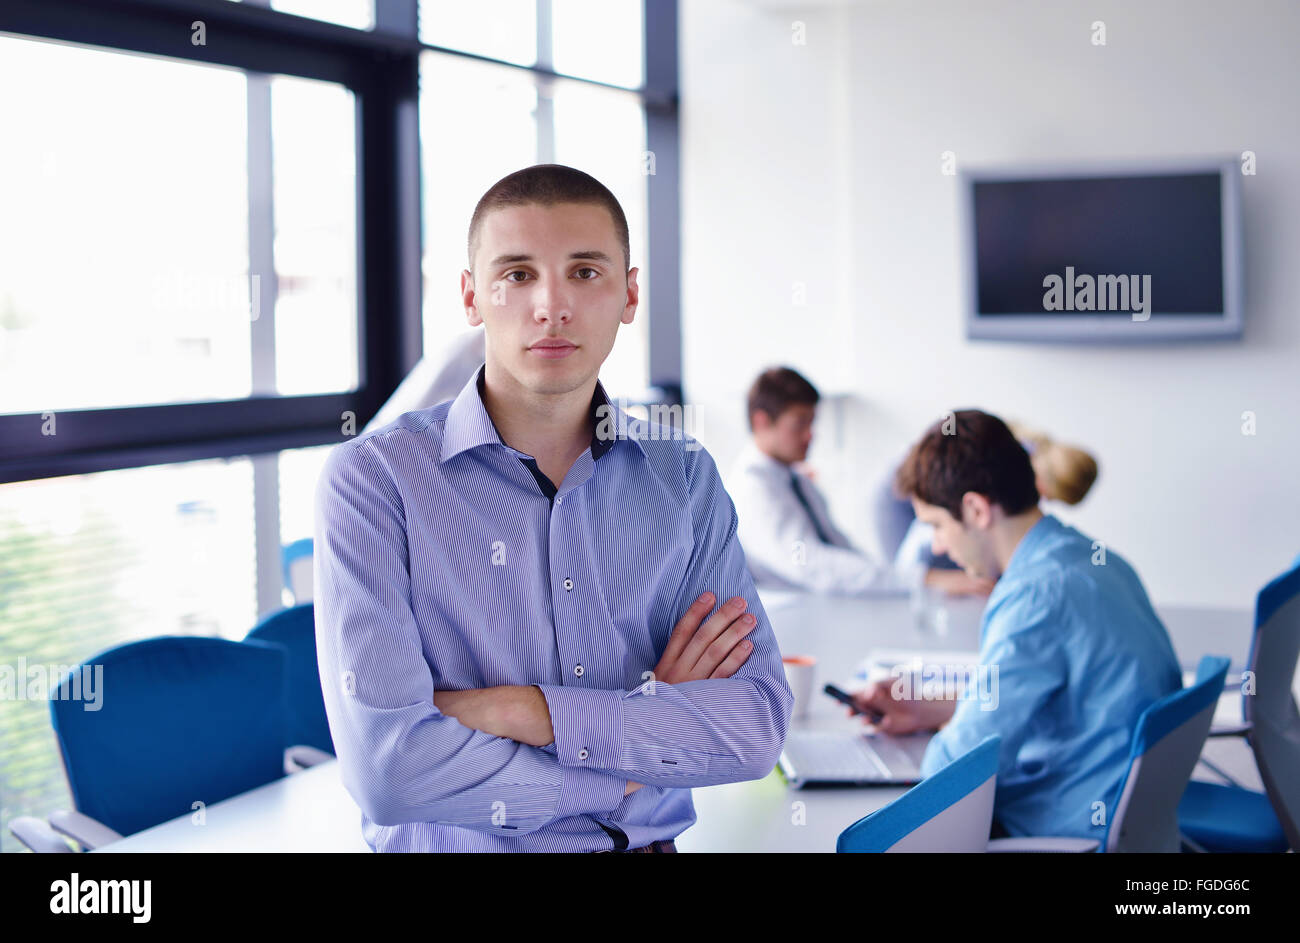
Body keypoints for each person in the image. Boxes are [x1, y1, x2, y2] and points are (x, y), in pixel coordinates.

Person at [314, 164, 793, 853]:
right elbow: (391, 769)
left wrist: (523, 710)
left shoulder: (682, 476)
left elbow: (750, 728)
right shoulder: (374, 481)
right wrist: (634, 750)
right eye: (516, 274)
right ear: (471, 296)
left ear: (629, 294)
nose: (551, 305)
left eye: (586, 272)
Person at [849, 410, 1181, 841]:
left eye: (936, 525)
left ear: (975, 509)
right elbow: (1038, 700)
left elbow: (953, 774)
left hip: (1067, 825)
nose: (937, 545)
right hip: (1128, 811)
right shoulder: (1096, 561)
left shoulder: (1034, 597)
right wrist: (926, 707)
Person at [726, 367, 991, 596]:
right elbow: (813, 566)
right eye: (799, 424)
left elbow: (840, 548)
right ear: (761, 422)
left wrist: (893, 578)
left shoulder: (795, 480)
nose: (810, 435)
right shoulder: (752, 489)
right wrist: (923, 579)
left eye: (812, 423)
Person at [880, 421, 1099, 576]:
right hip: (896, 498)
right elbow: (927, 532)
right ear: (1040, 484)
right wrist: (939, 581)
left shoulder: (1020, 456)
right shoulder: (996, 459)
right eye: (1046, 497)